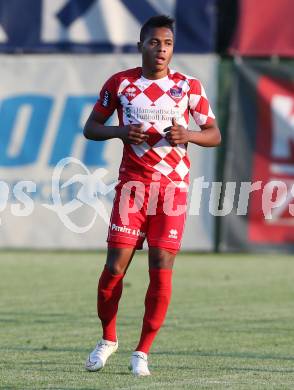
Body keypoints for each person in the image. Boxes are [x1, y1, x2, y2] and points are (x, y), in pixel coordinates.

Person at [83, 15, 221, 376]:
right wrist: (121, 132)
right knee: (114, 268)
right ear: (141, 45)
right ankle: (108, 339)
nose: (162, 50)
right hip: (132, 189)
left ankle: (142, 352)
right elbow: (91, 128)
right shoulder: (122, 84)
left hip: (172, 191)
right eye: (155, 42)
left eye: (168, 44)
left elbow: (214, 133)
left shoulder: (189, 86)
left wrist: (187, 135)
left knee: (161, 271)